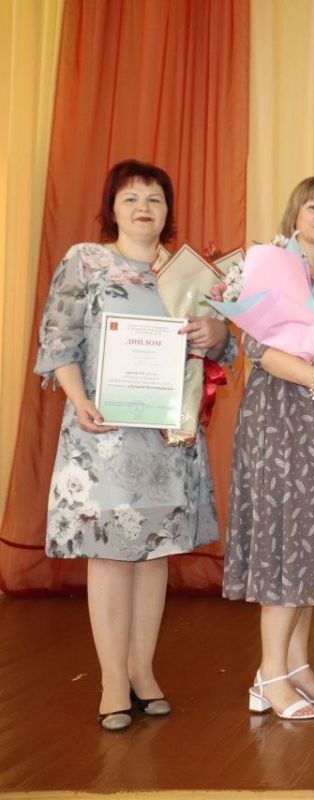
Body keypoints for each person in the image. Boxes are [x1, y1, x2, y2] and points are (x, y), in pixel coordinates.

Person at [35, 159, 231, 730]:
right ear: (112, 208)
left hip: (169, 434)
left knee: (154, 554)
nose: (144, 208)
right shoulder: (86, 261)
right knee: (110, 553)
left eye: (155, 199)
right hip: (103, 432)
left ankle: (143, 673)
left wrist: (217, 331)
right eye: (131, 198)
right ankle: (112, 682)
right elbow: (58, 337)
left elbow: (222, 348)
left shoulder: (188, 273)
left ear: (168, 211)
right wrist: (78, 399)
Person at [223, 176, 314, 720]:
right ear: (295, 215)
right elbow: (258, 347)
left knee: (309, 542)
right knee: (285, 542)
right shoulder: (272, 268)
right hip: (279, 421)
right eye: (313, 206)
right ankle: (269, 676)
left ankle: (297, 665)